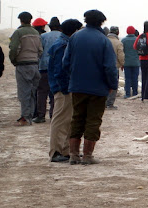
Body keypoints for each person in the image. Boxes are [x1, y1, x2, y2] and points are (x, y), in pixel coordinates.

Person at [63, 10, 118, 165]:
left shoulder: (75, 37)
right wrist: (112, 85)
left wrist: (73, 77)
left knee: (77, 118)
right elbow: (109, 67)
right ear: (101, 22)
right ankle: (87, 156)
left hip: (77, 86)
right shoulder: (103, 40)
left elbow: (65, 62)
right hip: (98, 89)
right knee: (93, 121)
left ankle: (73, 155)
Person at [48, 19, 83, 162]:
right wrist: (65, 89)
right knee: (60, 120)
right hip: (63, 89)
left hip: (66, 88)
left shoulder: (64, 43)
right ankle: (56, 151)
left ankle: (65, 150)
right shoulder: (63, 45)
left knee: (68, 120)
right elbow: (60, 71)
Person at [9, 12, 43, 126]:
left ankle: (25, 117)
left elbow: (13, 49)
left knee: (24, 92)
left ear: (21, 20)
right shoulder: (36, 33)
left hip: (23, 65)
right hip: (35, 65)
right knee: (32, 92)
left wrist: (14, 61)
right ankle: (29, 116)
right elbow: (40, 50)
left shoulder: (18, 32)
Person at [33, 17, 61, 123]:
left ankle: (40, 115)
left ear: (49, 26)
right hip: (57, 68)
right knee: (55, 93)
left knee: (41, 92)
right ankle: (53, 115)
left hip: (44, 67)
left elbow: (39, 51)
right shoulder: (62, 37)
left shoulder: (43, 36)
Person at [134, 20, 148, 101]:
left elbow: (135, 46)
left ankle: (143, 95)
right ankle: (147, 96)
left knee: (144, 78)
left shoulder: (140, 36)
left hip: (142, 59)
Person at [106, 26, 125, 110]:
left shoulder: (104, 40)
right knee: (113, 85)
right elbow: (120, 55)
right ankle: (110, 104)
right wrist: (122, 64)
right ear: (117, 32)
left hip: (103, 67)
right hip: (114, 67)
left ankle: (103, 102)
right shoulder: (118, 43)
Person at [121, 26, 140, 98]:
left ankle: (127, 93)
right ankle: (135, 93)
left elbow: (122, 52)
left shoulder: (123, 40)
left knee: (127, 78)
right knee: (135, 78)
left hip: (127, 62)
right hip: (136, 62)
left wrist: (122, 63)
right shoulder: (137, 39)